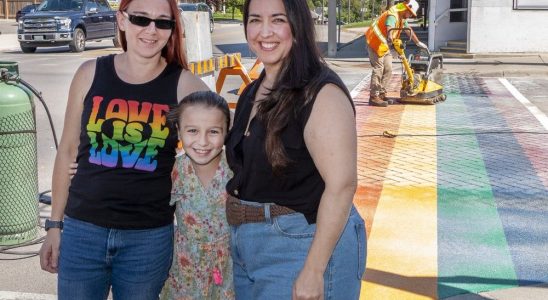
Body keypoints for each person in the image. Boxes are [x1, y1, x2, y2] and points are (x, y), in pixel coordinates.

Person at [38, 0, 208, 298]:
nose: (151, 30)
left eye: (163, 22)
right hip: (82, 233)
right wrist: (54, 224)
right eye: (141, 19)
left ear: (172, 29)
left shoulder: (185, 85)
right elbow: (66, 151)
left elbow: (224, 138)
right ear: (121, 20)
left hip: (147, 239)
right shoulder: (89, 73)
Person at [224, 0, 366, 299]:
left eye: (277, 20)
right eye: (254, 20)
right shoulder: (254, 89)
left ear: (298, 25)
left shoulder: (320, 92)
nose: (264, 31)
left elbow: (342, 185)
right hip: (248, 243)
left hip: (302, 243)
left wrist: (314, 271)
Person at [160, 91, 235, 299]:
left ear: (226, 131)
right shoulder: (173, 169)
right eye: (192, 130)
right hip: (184, 270)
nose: (202, 142)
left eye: (213, 132)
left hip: (229, 268)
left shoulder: (237, 168)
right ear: (179, 130)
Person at [365, 0, 427, 107]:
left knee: (388, 69)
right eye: (410, 13)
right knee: (378, 68)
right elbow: (390, 28)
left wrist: (417, 42)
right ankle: (374, 96)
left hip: (385, 46)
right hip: (374, 43)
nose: (410, 16)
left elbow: (408, 29)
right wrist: (393, 46)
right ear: (406, 9)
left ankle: (381, 94)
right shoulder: (393, 15)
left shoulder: (402, 17)